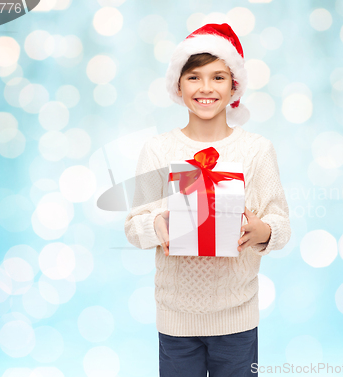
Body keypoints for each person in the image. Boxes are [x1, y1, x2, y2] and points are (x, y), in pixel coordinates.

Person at [124, 23, 291, 377]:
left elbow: (281, 225)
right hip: (176, 319)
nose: (205, 88)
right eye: (194, 77)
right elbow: (134, 227)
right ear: (178, 85)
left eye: (218, 77)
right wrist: (159, 224)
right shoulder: (159, 150)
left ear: (235, 86)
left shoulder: (256, 150)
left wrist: (259, 231)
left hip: (237, 319)